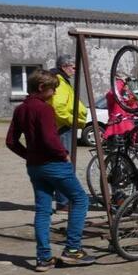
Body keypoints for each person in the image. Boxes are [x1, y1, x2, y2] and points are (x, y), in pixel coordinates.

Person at [6, 69, 95, 271]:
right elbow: (49, 139)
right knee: (80, 199)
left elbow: (11, 141)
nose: (54, 93)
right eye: (53, 89)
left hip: (35, 167)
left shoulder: (20, 109)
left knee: (43, 210)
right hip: (54, 164)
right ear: (41, 88)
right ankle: (72, 250)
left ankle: (43, 258)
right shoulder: (44, 109)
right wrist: (63, 154)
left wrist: (28, 155)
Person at [49, 54, 88, 213]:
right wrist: (73, 120)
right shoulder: (59, 81)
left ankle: (63, 200)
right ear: (65, 66)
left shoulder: (62, 80)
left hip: (65, 126)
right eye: (73, 66)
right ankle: (63, 202)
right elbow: (58, 107)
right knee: (64, 164)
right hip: (63, 127)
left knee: (64, 163)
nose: (75, 70)